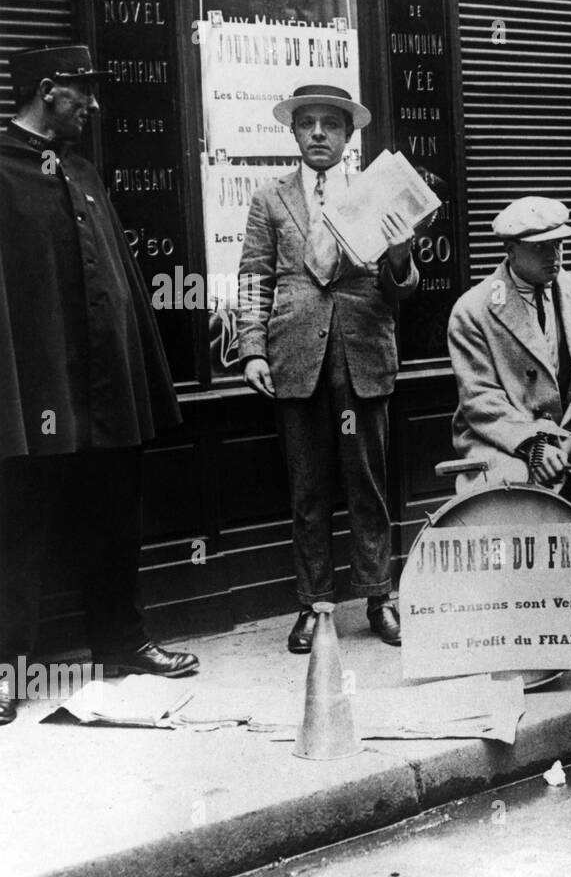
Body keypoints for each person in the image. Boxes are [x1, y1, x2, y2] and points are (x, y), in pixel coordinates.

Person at [0, 45, 199, 725]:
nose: (93, 103)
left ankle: (122, 640)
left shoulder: (83, 172)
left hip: (105, 390)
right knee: (16, 530)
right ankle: (6, 671)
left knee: (115, 517)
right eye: (83, 90)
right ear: (48, 91)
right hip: (34, 395)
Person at [238, 84, 417, 652]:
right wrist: (252, 349)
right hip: (296, 358)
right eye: (308, 123)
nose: (318, 133)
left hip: (361, 353)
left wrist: (399, 257)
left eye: (330, 125)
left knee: (368, 484)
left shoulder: (376, 195)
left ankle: (378, 598)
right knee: (308, 490)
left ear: (348, 135)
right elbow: (252, 277)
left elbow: (402, 290)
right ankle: (315, 607)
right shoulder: (270, 199)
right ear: (293, 132)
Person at [446, 195, 571, 491]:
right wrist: (533, 446)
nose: (553, 255)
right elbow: (480, 399)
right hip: (503, 443)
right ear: (510, 249)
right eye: (540, 247)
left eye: (558, 244)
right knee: (516, 490)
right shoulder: (473, 310)